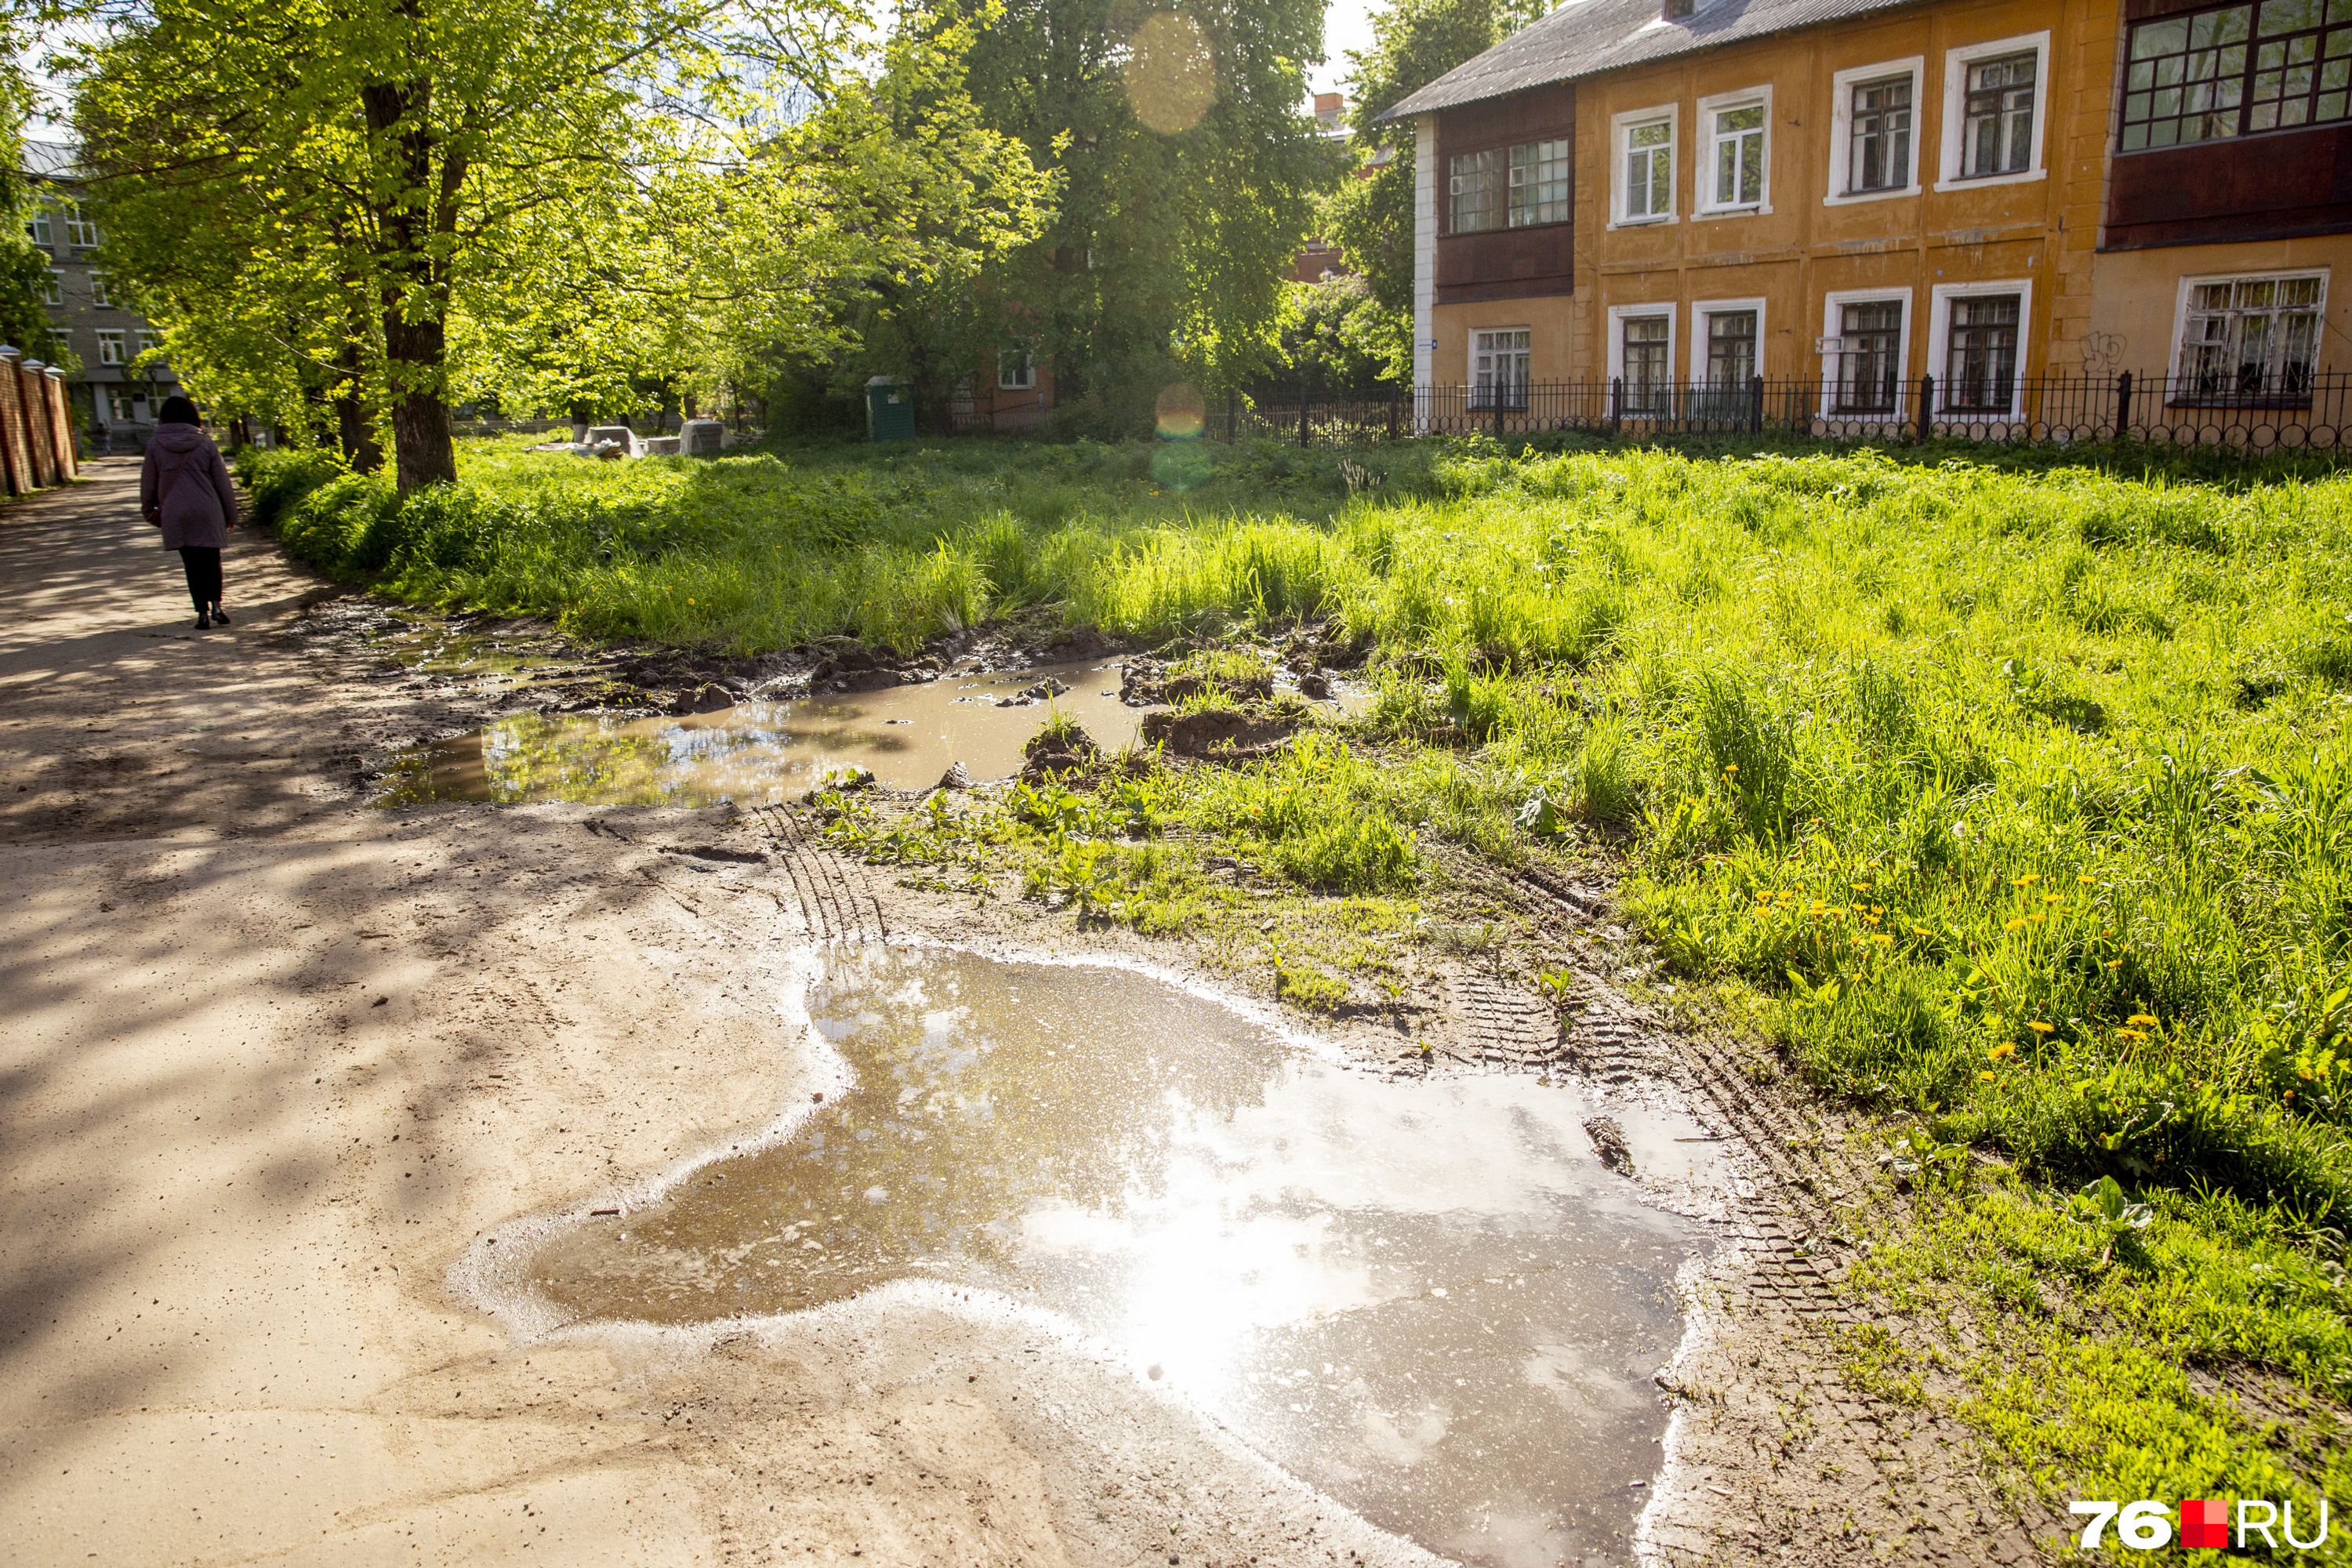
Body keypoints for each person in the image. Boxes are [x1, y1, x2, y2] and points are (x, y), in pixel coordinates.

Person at [140, 394, 240, 630]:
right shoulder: (205, 443)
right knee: (212, 560)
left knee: (192, 564)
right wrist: (231, 514)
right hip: (208, 509)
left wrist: (149, 510)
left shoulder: (155, 445)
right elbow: (222, 482)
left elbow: (148, 482)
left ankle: (202, 614)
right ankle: (217, 606)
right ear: (193, 417)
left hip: (176, 511)